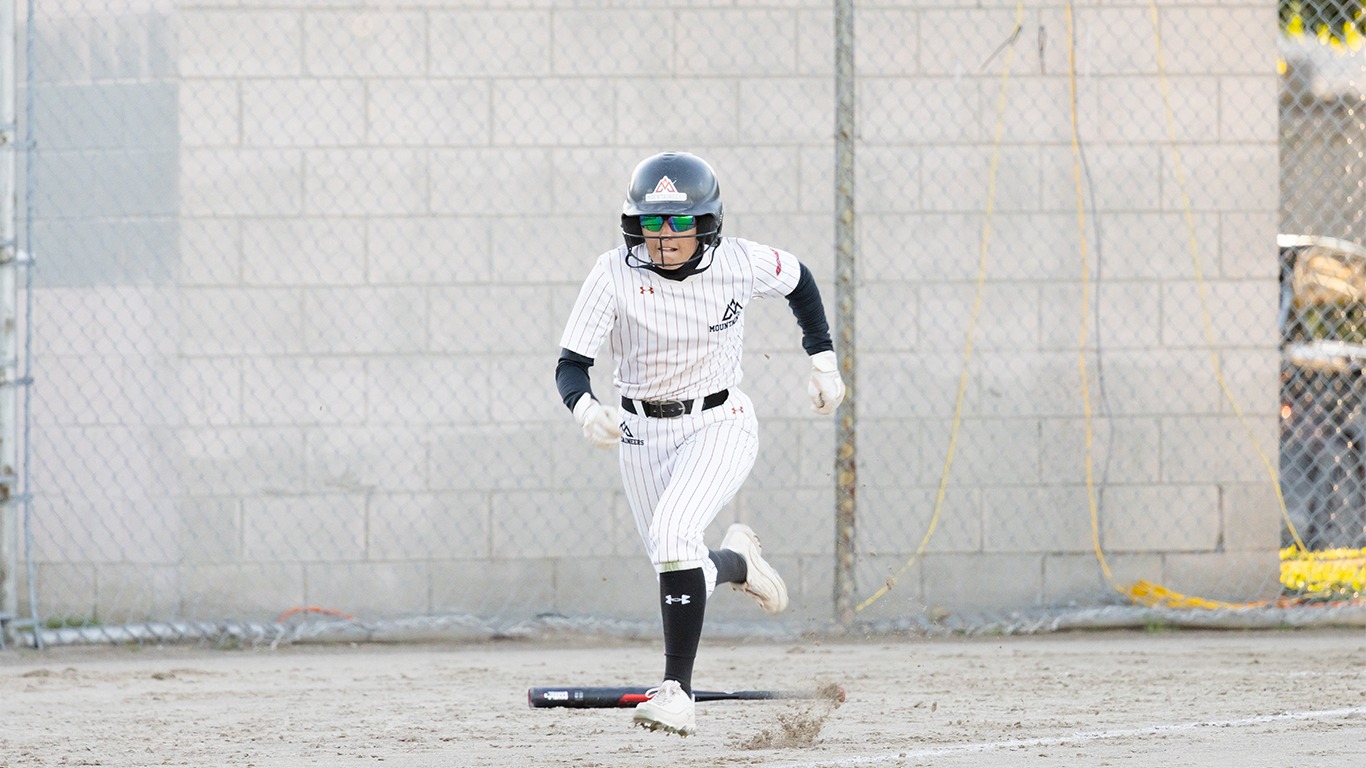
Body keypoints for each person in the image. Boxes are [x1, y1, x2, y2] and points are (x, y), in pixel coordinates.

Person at [554, 151, 845, 736]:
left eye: (679, 223)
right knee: (676, 558)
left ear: (706, 222)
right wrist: (585, 410)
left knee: (673, 538)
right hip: (640, 431)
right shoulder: (612, 271)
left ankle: (675, 693)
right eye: (651, 223)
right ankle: (738, 563)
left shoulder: (739, 262)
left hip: (720, 419)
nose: (664, 237)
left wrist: (823, 361)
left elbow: (800, 281)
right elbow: (571, 364)